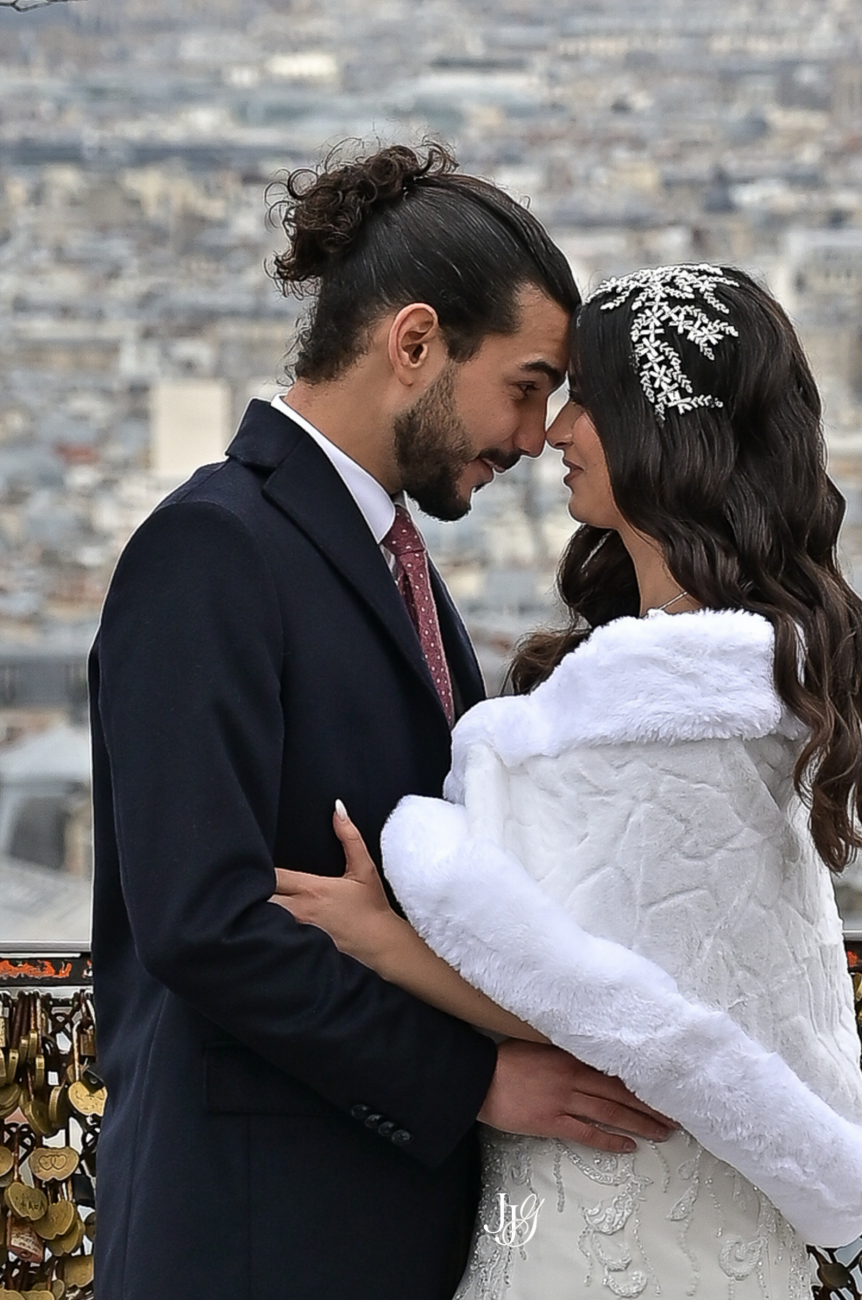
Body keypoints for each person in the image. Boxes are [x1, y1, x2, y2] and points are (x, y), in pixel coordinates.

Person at [88, 143, 676, 1300]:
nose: (531, 434)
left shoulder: (377, 559)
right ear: (413, 344)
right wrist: (470, 1078)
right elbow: (204, 921)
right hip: (250, 1240)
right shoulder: (210, 549)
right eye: (523, 383)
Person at [272, 263, 862, 1299]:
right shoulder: (726, 681)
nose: (554, 430)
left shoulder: (663, 704)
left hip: (607, 1207)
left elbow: (603, 1012)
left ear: (661, 429)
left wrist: (384, 936)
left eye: (586, 401)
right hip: (672, 1201)